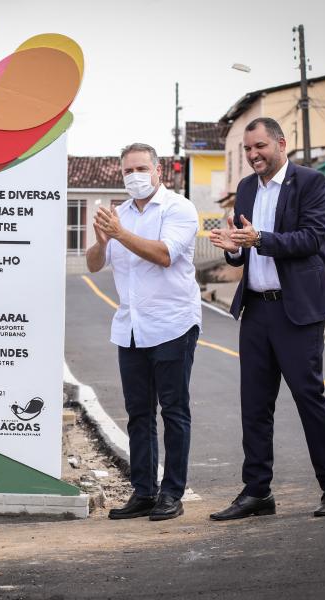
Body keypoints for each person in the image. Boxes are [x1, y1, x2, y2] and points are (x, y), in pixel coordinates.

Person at [208, 117, 325, 520]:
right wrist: (233, 248)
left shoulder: (310, 182)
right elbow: (244, 245)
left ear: (281, 144)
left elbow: (310, 238)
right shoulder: (247, 189)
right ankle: (257, 493)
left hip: (297, 309)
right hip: (256, 308)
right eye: (247, 150)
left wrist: (259, 240)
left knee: (309, 397)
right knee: (254, 404)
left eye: (259, 147)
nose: (253, 155)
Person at [86, 143, 201, 521]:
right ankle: (144, 492)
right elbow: (94, 264)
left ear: (158, 171)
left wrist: (118, 233)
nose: (133, 176)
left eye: (140, 168)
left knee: (174, 410)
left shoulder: (178, 209)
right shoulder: (117, 215)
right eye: (127, 171)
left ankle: (172, 493)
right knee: (138, 413)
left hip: (172, 323)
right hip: (131, 327)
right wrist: (102, 240)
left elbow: (165, 255)